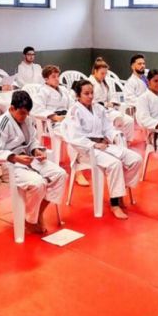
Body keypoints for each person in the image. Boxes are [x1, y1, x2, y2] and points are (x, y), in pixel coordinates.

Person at [0, 90, 66, 233]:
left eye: (27, 113)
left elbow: (32, 140)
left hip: (28, 160)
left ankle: (36, 214)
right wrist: (14, 158)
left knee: (60, 174)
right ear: (12, 108)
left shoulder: (27, 119)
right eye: (22, 113)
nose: (25, 116)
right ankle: (31, 219)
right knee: (38, 183)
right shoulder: (3, 123)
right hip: (8, 165)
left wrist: (36, 150)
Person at [62, 80, 142, 220]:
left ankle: (119, 190)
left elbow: (107, 128)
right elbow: (74, 137)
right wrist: (93, 145)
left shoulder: (98, 108)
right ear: (78, 95)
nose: (90, 96)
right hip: (85, 150)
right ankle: (114, 204)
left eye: (92, 93)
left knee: (136, 159)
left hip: (104, 146)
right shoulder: (74, 111)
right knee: (115, 164)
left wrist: (114, 135)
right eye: (86, 93)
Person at [31, 65, 89, 187]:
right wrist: (54, 117)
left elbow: (73, 104)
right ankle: (77, 172)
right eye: (53, 77)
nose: (57, 79)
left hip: (67, 119)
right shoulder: (42, 91)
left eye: (58, 76)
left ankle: (85, 161)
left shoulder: (63, 90)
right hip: (53, 124)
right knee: (72, 135)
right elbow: (36, 109)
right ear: (46, 79)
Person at [88, 57, 134, 144]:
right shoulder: (89, 83)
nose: (104, 76)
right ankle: (116, 142)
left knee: (129, 121)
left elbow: (112, 96)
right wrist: (105, 104)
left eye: (105, 73)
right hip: (97, 112)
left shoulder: (104, 83)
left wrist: (113, 102)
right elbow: (90, 101)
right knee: (118, 119)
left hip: (108, 110)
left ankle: (127, 142)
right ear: (95, 71)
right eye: (102, 73)